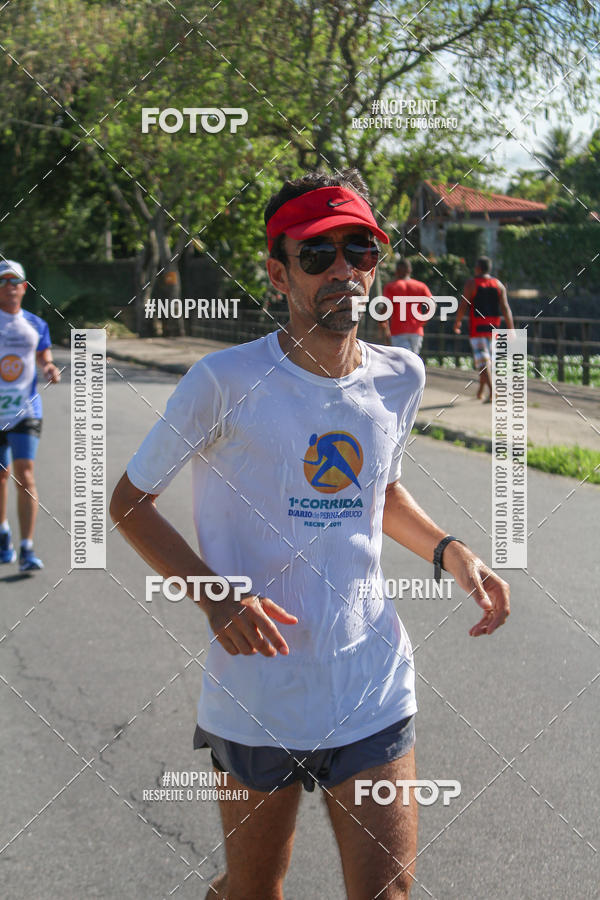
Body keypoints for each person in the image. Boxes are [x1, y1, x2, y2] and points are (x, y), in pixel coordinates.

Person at [110, 170, 510, 900]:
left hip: (371, 681)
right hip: (258, 692)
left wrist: (451, 552)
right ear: (278, 272)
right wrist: (217, 598)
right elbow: (130, 503)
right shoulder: (223, 381)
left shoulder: (401, 375)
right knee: (255, 890)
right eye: (318, 255)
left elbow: (377, 492)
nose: (343, 270)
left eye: (360, 251)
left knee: (387, 893)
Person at [0, 259, 60, 571]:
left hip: (25, 409)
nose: (9, 287)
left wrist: (48, 367)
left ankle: (27, 548)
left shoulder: (36, 324)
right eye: (3, 282)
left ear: (24, 287)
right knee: (1, 474)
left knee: (24, 474)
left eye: (15, 282)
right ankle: (3, 532)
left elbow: (43, 355)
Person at [454, 256, 514, 401]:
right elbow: (505, 308)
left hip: (478, 327)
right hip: (494, 326)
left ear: (478, 268)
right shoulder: (498, 284)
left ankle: (493, 391)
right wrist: (511, 328)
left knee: (483, 360)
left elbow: (463, 305)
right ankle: (480, 391)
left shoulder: (471, 283)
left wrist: (458, 322)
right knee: (487, 360)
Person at [379, 257, 432, 355]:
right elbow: (432, 304)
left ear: (396, 270)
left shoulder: (391, 286)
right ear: (410, 270)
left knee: (402, 360)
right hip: (416, 331)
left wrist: (383, 325)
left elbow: (386, 307)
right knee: (414, 358)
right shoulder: (421, 286)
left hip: (398, 331)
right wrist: (423, 320)